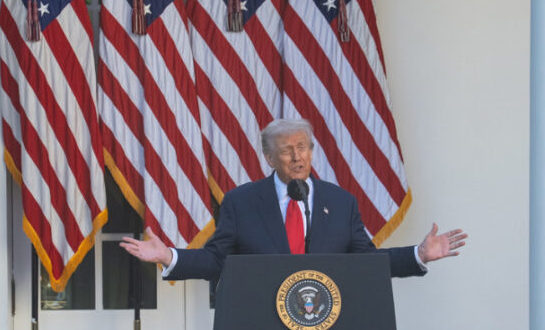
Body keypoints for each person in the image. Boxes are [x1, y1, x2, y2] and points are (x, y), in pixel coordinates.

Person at [120, 119, 467, 280]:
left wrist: (417, 255)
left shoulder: (341, 202)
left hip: (329, 329)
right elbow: (216, 261)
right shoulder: (242, 202)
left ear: (312, 152)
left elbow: (365, 262)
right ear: (270, 159)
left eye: (303, 147)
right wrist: (169, 256)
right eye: (287, 150)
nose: (297, 157)